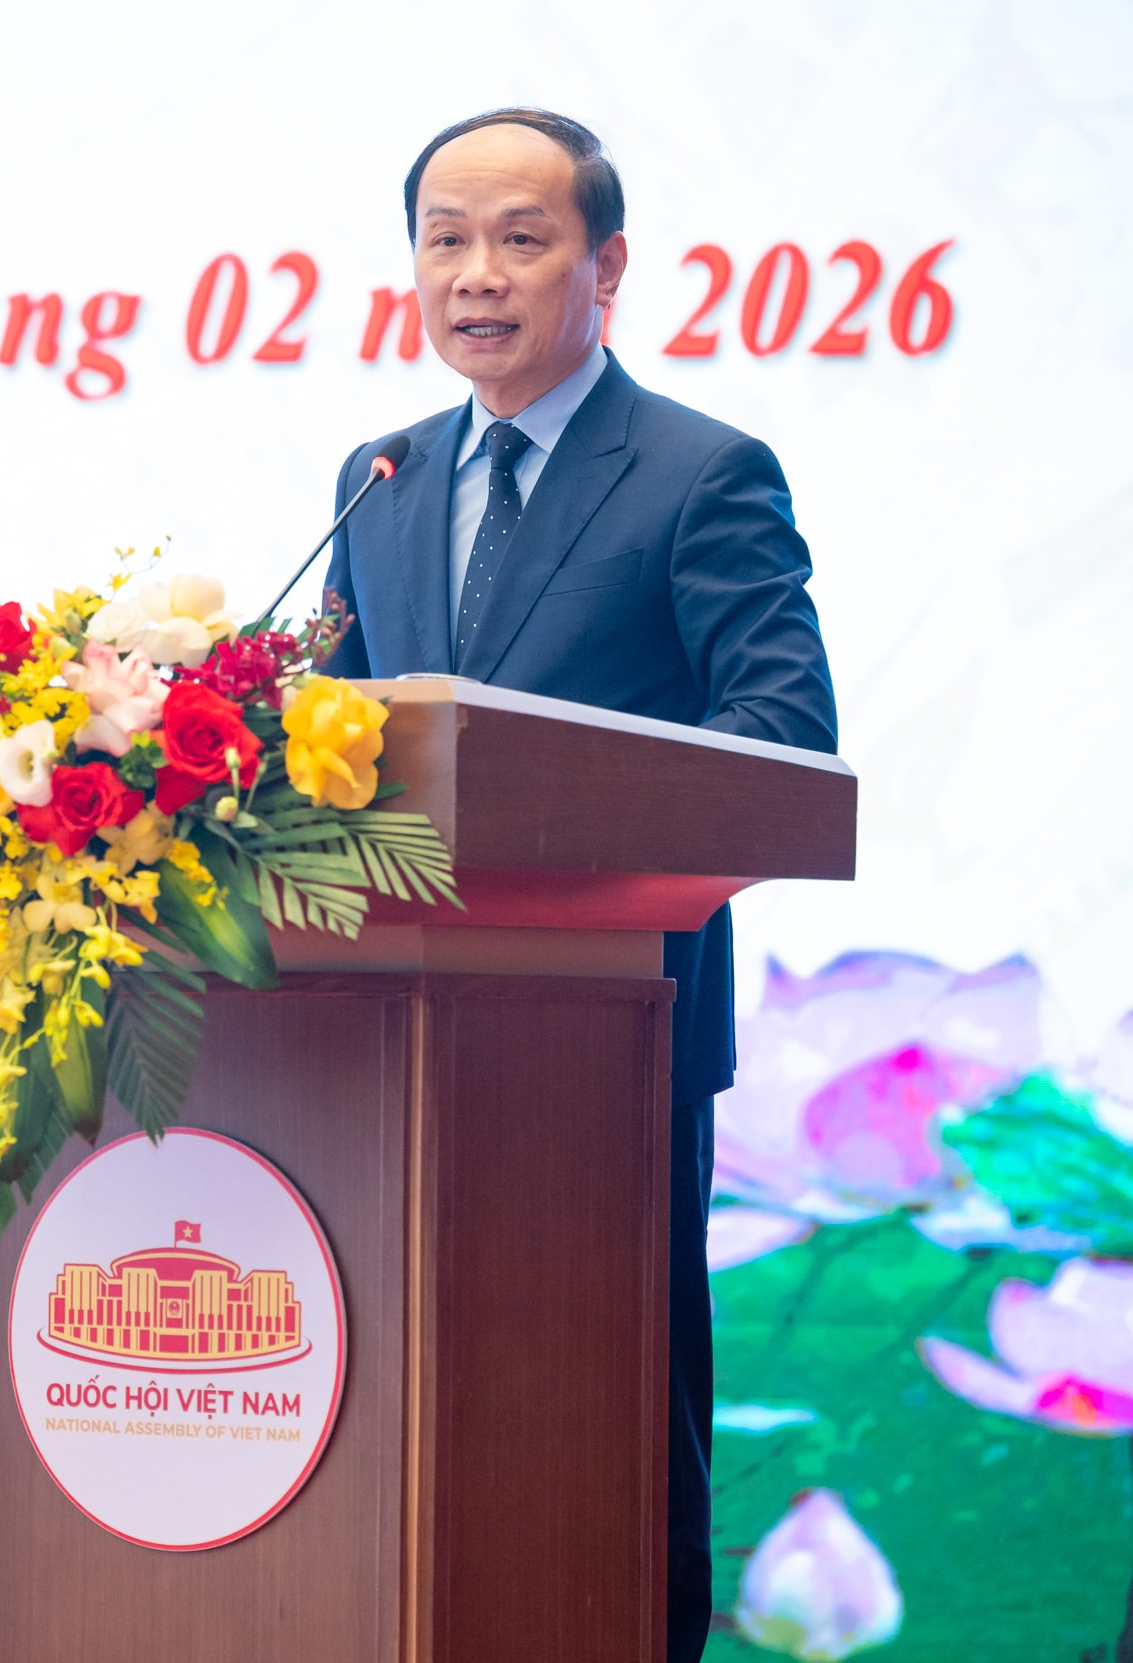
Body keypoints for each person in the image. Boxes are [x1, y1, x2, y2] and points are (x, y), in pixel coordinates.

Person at [318, 107, 839, 1663]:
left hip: (610, 1041)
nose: (477, 274)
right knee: (401, 1422)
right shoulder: (384, 475)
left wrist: (551, 798)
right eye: (446, 241)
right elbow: (334, 747)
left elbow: (782, 742)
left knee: (609, 1432)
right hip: (388, 1049)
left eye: (521, 239)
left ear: (605, 269)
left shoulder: (701, 475)